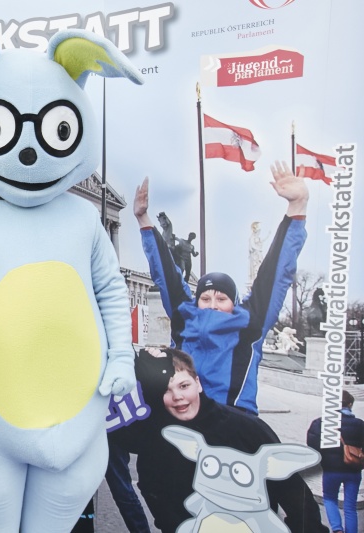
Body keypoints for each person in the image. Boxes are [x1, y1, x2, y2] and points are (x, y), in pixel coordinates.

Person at [133, 162, 308, 414]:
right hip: (184, 417)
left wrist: (297, 206)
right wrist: (143, 220)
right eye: (205, 298)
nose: (212, 304)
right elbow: (166, 275)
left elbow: (276, 273)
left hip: (233, 420)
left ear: (233, 303)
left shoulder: (250, 323)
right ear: (197, 301)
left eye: (221, 298)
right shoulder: (185, 317)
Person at [110, 347, 327, 533]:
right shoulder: (157, 439)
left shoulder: (246, 428)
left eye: (184, 386)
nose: (178, 396)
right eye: (166, 390)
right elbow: (151, 488)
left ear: (198, 383)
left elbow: (295, 495)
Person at [307, 390, 364, 533]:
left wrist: (323, 458)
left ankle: (337, 530)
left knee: (330, 499)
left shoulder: (322, 422)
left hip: (331, 470)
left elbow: (312, 443)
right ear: (349, 405)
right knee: (350, 506)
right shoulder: (360, 424)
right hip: (353, 469)